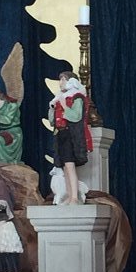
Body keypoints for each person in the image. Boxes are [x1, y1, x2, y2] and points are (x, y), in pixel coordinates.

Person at [48, 71, 93, 205]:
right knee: (64, 167)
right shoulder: (59, 98)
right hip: (60, 134)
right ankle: (69, 194)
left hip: (70, 135)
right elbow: (53, 121)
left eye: (64, 79)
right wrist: (53, 108)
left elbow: (76, 116)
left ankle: (74, 196)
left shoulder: (76, 97)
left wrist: (64, 106)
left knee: (70, 165)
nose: (61, 83)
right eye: (60, 80)